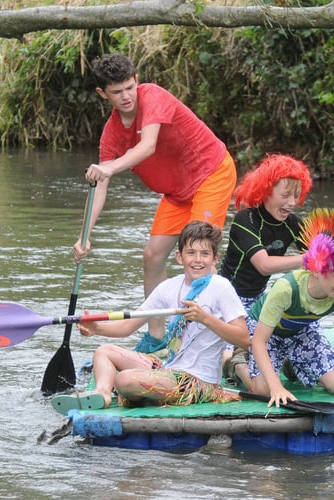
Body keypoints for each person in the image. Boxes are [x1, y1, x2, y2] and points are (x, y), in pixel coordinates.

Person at [73, 53, 237, 338]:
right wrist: (84, 234)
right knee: (152, 257)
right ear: (102, 94)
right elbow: (100, 185)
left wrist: (109, 167)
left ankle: (209, 335)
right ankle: (157, 337)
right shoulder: (111, 134)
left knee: (198, 251)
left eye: (129, 87)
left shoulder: (153, 96)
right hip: (177, 193)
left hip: (212, 174)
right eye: (116, 91)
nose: (126, 96)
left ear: (136, 79)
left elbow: (147, 146)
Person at [53, 221, 248, 411]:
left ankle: (136, 391)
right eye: (191, 253)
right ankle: (101, 394)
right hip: (168, 368)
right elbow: (128, 326)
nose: (198, 260)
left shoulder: (221, 288)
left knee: (124, 379)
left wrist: (205, 318)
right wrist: (97, 328)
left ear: (215, 259)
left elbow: (243, 338)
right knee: (103, 352)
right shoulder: (169, 286)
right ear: (180, 257)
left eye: (205, 254)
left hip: (197, 381)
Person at [218, 154, 334, 387]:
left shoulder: (292, 223)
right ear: (265, 190)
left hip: (258, 297)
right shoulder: (244, 219)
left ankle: (292, 361)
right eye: (285, 195)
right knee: (228, 354)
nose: (291, 203)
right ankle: (236, 363)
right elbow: (264, 264)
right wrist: (308, 258)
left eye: (296, 196)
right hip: (227, 298)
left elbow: (331, 262)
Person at [247, 208, 334, 407]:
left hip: (301, 330)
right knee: (264, 389)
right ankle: (236, 363)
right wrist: (277, 388)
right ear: (315, 270)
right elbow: (259, 342)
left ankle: (292, 365)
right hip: (266, 332)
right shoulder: (287, 288)